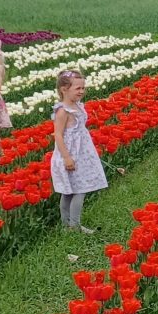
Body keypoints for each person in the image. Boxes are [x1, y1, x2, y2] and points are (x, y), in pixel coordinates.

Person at [50, 69, 108, 233]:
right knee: (76, 190)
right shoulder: (62, 111)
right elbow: (59, 136)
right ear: (64, 89)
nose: (82, 91)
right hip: (70, 155)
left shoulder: (77, 106)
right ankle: (72, 225)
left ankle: (68, 225)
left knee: (73, 189)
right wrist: (67, 158)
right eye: (78, 88)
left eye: (83, 88)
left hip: (82, 154)